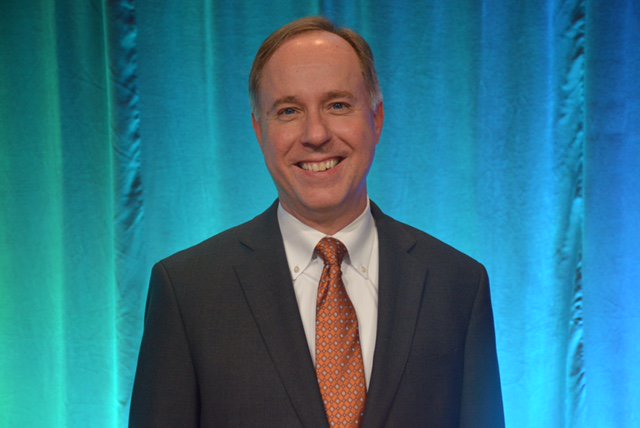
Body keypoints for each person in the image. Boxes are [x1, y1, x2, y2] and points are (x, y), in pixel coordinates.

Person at [129, 16, 504, 427]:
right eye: (289, 111)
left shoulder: (458, 285)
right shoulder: (188, 291)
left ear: (376, 119)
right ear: (259, 130)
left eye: (337, 105)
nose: (315, 134)